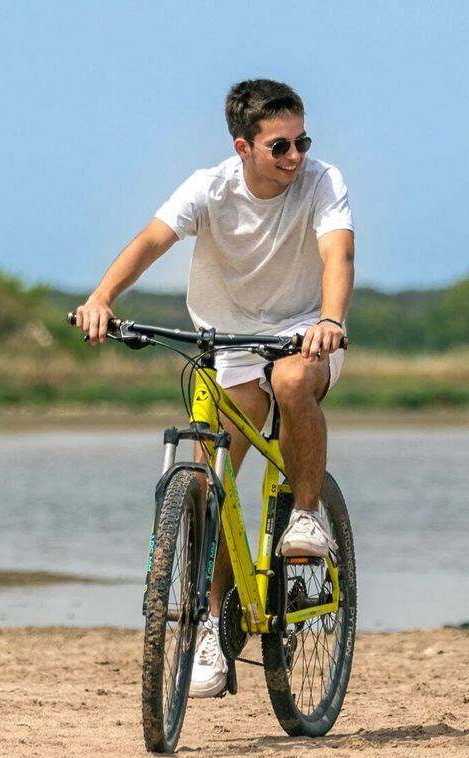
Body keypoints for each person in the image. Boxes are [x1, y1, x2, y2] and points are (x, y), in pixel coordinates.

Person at [72, 78, 355, 698]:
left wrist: (330, 320)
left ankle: (306, 515)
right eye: (280, 146)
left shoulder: (321, 182)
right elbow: (151, 240)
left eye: (302, 141)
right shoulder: (209, 188)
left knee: (290, 381)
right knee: (211, 484)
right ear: (243, 147)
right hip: (223, 339)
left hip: (303, 330)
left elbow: (338, 256)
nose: (295, 156)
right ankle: (205, 626)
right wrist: (101, 299)